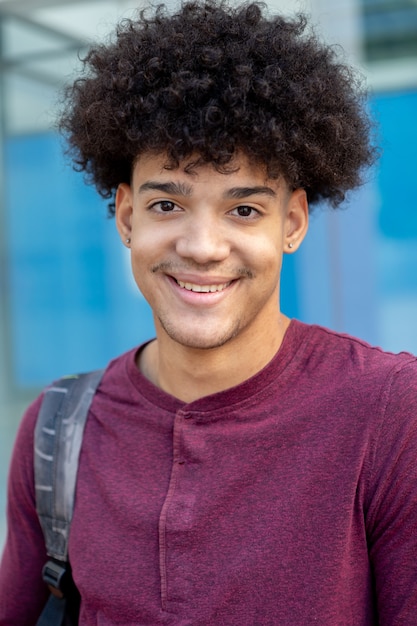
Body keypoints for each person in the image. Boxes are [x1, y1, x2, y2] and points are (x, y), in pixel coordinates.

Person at [1, 1, 417, 624]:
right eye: (167, 204)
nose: (201, 247)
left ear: (293, 223)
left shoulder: (390, 413)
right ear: (125, 216)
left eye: (243, 209)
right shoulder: (59, 428)